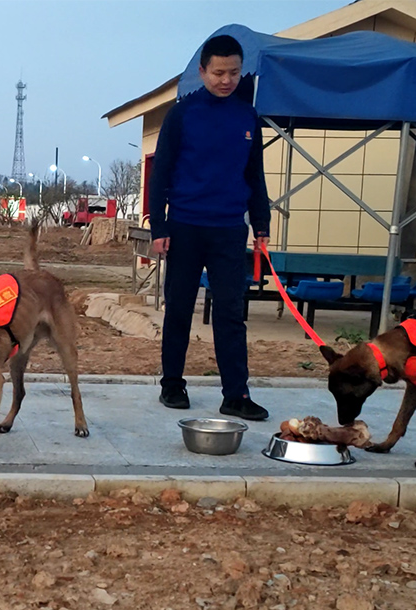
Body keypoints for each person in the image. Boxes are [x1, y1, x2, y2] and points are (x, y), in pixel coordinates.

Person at [147, 34, 271, 421]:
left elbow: (255, 175)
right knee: (179, 309)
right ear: (202, 71)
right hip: (184, 226)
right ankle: (172, 384)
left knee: (231, 313)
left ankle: (236, 393)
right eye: (218, 72)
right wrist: (159, 227)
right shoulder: (182, 114)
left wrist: (261, 223)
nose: (226, 79)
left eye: (233, 72)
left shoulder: (247, 117)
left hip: (229, 229)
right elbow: (161, 172)